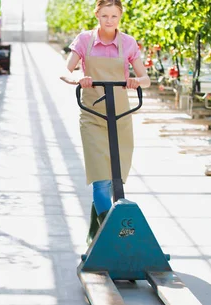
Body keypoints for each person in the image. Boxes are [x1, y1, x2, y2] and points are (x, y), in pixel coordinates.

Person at [60, 0, 150, 245]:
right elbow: (66, 71)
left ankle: (95, 233)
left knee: (115, 178)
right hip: (93, 114)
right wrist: (78, 77)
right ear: (97, 15)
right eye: (105, 15)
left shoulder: (128, 43)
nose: (109, 21)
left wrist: (135, 81)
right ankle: (113, 235)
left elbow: (146, 78)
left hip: (120, 114)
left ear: (120, 16)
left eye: (114, 16)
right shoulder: (84, 40)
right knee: (100, 178)